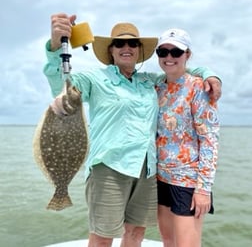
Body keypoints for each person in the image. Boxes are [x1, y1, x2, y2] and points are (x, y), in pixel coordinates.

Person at [43, 13, 222, 247]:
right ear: (111, 50)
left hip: (147, 171)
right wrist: (56, 46)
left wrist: (209, 74)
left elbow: (179, 69)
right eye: (119, 43)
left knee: (135, 233)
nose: (126, 47)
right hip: (109, 168)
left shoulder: (150, 81)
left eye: (132, 43)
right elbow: (62, 86)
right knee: (102, 237)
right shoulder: (94, 79)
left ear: (138, 50)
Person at [155, 28, 220, 247]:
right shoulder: (156, 86)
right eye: (162, 52)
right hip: (160, 178)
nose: (169, 57)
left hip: (188, 182)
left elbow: (209, 140)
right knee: (167, 241)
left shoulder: (199, 87)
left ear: (187, 55)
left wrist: (204, 189)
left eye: (176, 51)